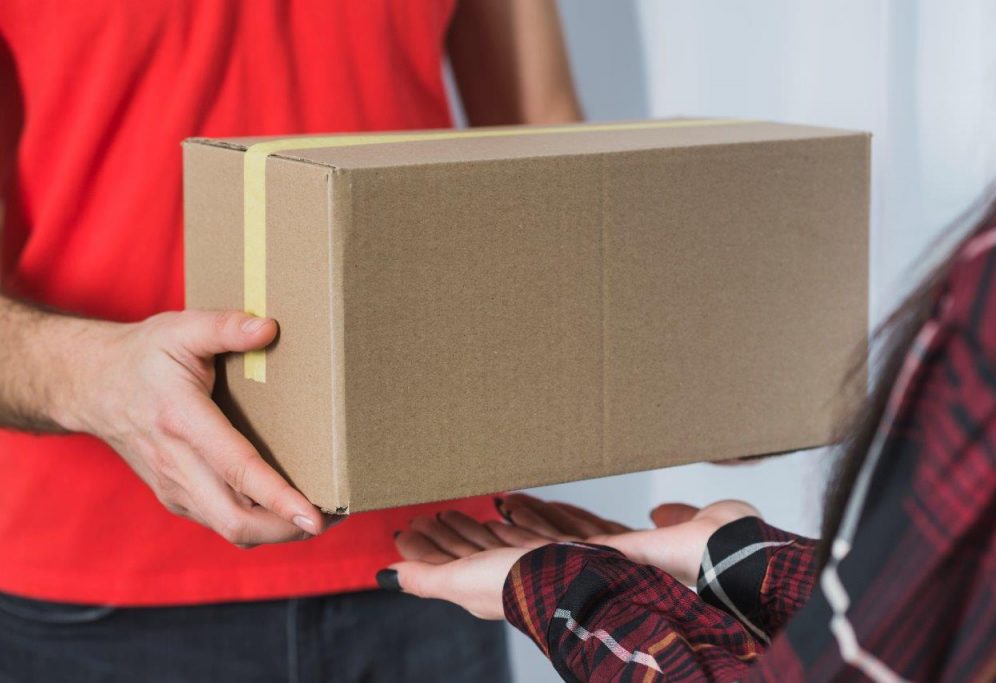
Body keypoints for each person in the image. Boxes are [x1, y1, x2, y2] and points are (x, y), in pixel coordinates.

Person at [384, 6, 996, 682]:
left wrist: (571, 589)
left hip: (429, 516)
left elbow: (545, 147)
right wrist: (741, 556)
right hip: (376, 526)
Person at [0, 2, 581, 681]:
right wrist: (102, 381)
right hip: (95, 585)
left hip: (430, 550)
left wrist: (683, 366)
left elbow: (550, 155)